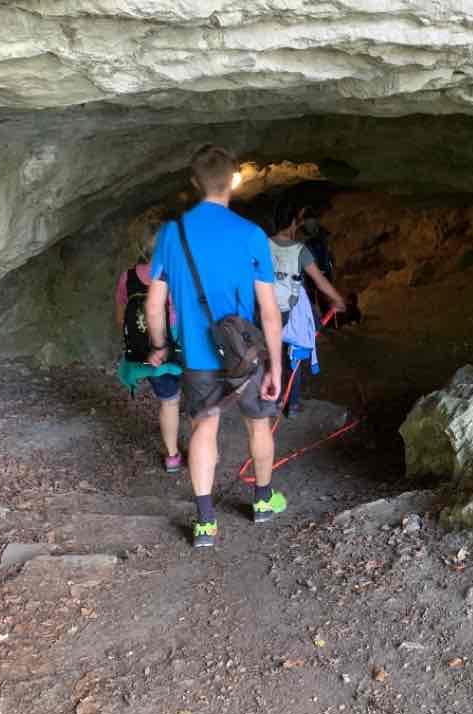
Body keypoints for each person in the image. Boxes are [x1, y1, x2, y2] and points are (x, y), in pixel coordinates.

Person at [145, 144, 286, 546]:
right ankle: (262, 501)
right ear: (234, 180)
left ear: (194, 183)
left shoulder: (173, 235)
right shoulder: (251, 234)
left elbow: (155, 304)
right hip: (245, 355)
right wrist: (274, 367)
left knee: (203, 427)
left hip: (198, 356)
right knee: (258, 423)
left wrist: (160, 345)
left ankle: (205, 522)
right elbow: (269, 311)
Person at [114, 217, 183, 473]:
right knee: (199, 399)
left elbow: (121, 318)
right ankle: (203, 449)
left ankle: (173, 455)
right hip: (178, 344)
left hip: (147, 349)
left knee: (169, 401)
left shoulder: (128, 277)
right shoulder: (177, 273)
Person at [269, 198, 346, 417]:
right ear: (294, 223)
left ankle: (272, 400)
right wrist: (338, 300)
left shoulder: (261, 244)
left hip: (265, 312)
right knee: (295, 356)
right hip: (290, 314)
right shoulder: (299, 250)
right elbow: (320, 281)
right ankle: (291, 405)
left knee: (271, 355)